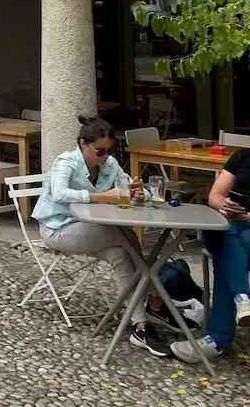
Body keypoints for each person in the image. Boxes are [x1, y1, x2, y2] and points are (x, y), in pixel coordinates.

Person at [28, 117, 172, 357]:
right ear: (83, 144)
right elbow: (60, 193)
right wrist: (102, 197)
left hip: (90, 229)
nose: (104, 156)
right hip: (58, 228)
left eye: (109, 150)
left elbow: (127, 185)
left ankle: (140, 326)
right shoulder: (66, 162)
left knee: (121, 254)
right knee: (120, 233)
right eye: (100, 150)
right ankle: (156, 294)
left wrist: (140, 192)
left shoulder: (109, 163)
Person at [171, 143, 250, 363]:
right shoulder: (242, 156)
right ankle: (242, 299)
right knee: (217, 229)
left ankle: (218, 338)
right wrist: (224, 205)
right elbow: (214, 195)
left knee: (231, 249)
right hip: (231, 225)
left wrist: (245, 217)